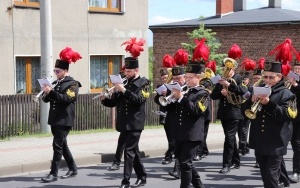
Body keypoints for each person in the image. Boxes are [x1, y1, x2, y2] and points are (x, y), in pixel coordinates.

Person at [243, 60, 296, 188]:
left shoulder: (287, 94)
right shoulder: (256, 90)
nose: (267, 80)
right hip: (260, 139)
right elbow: (243, 112)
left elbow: (287, 115)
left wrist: (269, 104)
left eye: (271, 77)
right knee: (265, 175)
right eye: (265, 76)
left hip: (276, 141)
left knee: (271, 175)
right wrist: (251, 100)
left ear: (279, 77)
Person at [100, 56, 150, 188]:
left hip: (135, 122)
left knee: (129, 152)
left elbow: (139, 100)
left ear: (136, 70)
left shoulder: (144, 83)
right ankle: (142, 176)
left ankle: (125, 181)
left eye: (129, 71)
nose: (126, 74)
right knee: (134, 152)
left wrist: (123, 90)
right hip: (124, 122)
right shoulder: (124, 83)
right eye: (125, 71)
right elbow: (115, 102)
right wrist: (104, 99)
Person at [41, 47, 82, 182]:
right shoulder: (56, 83)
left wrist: (51, 92)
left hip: (64, 120)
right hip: (55, 118)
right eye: (55, 71)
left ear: (65, 71)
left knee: (57, 145)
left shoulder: (73, 84)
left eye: (57, 71)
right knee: (62, 145)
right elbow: (47, 99)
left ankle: (53, 173)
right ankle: (73, 168)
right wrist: (46, 92)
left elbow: (66, 99)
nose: (56, 73)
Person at [171, 62, 208, 188]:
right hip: (181, 132)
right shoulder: (185, 91)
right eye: (186, 77)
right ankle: (199, 185)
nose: (186, 80)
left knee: (185, 163)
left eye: (190, 77)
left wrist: (181, 98)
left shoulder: (203, 93)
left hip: (193, 134)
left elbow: (196, 111)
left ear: (199, 77)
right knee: (184, 162)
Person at [210, 57, 247, 174]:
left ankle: (227, 164)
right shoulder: (221, 79)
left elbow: (244, 91)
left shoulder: (238, 78)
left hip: (235, 112)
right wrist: (221, 93)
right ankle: (236, 161)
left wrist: (229, 86)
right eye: (226, 68)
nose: (227, 70)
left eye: (229, 69)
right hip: (224, 113)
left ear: (233, 69)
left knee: (229, 138)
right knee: (230, 137)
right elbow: (213, 96)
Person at [167, 65, 187, 179]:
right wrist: (166, 96)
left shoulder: (188, 88)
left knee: (182, 148)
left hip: (185, 122)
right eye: (174, 78)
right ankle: (179, 170)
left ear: (184, 77)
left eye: (178, 78)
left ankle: (178, 170)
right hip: (174, 121)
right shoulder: (172, 88)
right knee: (176, 146)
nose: (176, 80)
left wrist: (180, 96)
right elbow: (166, 107)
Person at [154, 68, 175, 165]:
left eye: (166, 77)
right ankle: (171, 153)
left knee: (173, 138)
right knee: (170, 137)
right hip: (164, 115)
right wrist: (159, 95)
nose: (164, 80)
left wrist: (169, 93)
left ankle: (169, 156)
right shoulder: (160, 86)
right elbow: (156, 100)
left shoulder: (174, 86)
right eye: (162, 78)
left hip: (173, 114)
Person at [286, 60, 300, 184]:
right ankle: (295, 171)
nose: (296, 71)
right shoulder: (289, 83)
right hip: (291, 119)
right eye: (295, 69)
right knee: (296, 145)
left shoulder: (295, 84)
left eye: (298, 69)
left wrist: (295, 85)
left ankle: (297, 171)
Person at [238, 72, 251, 156]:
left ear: (248, 80)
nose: (244, 81)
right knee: (240, 130)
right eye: (243, 79)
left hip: (247, 111)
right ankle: (245, 146)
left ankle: (242, 147)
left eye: (245, 79)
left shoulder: (250, 88)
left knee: (244, 129)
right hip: (239, 111)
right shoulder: (240, 87)